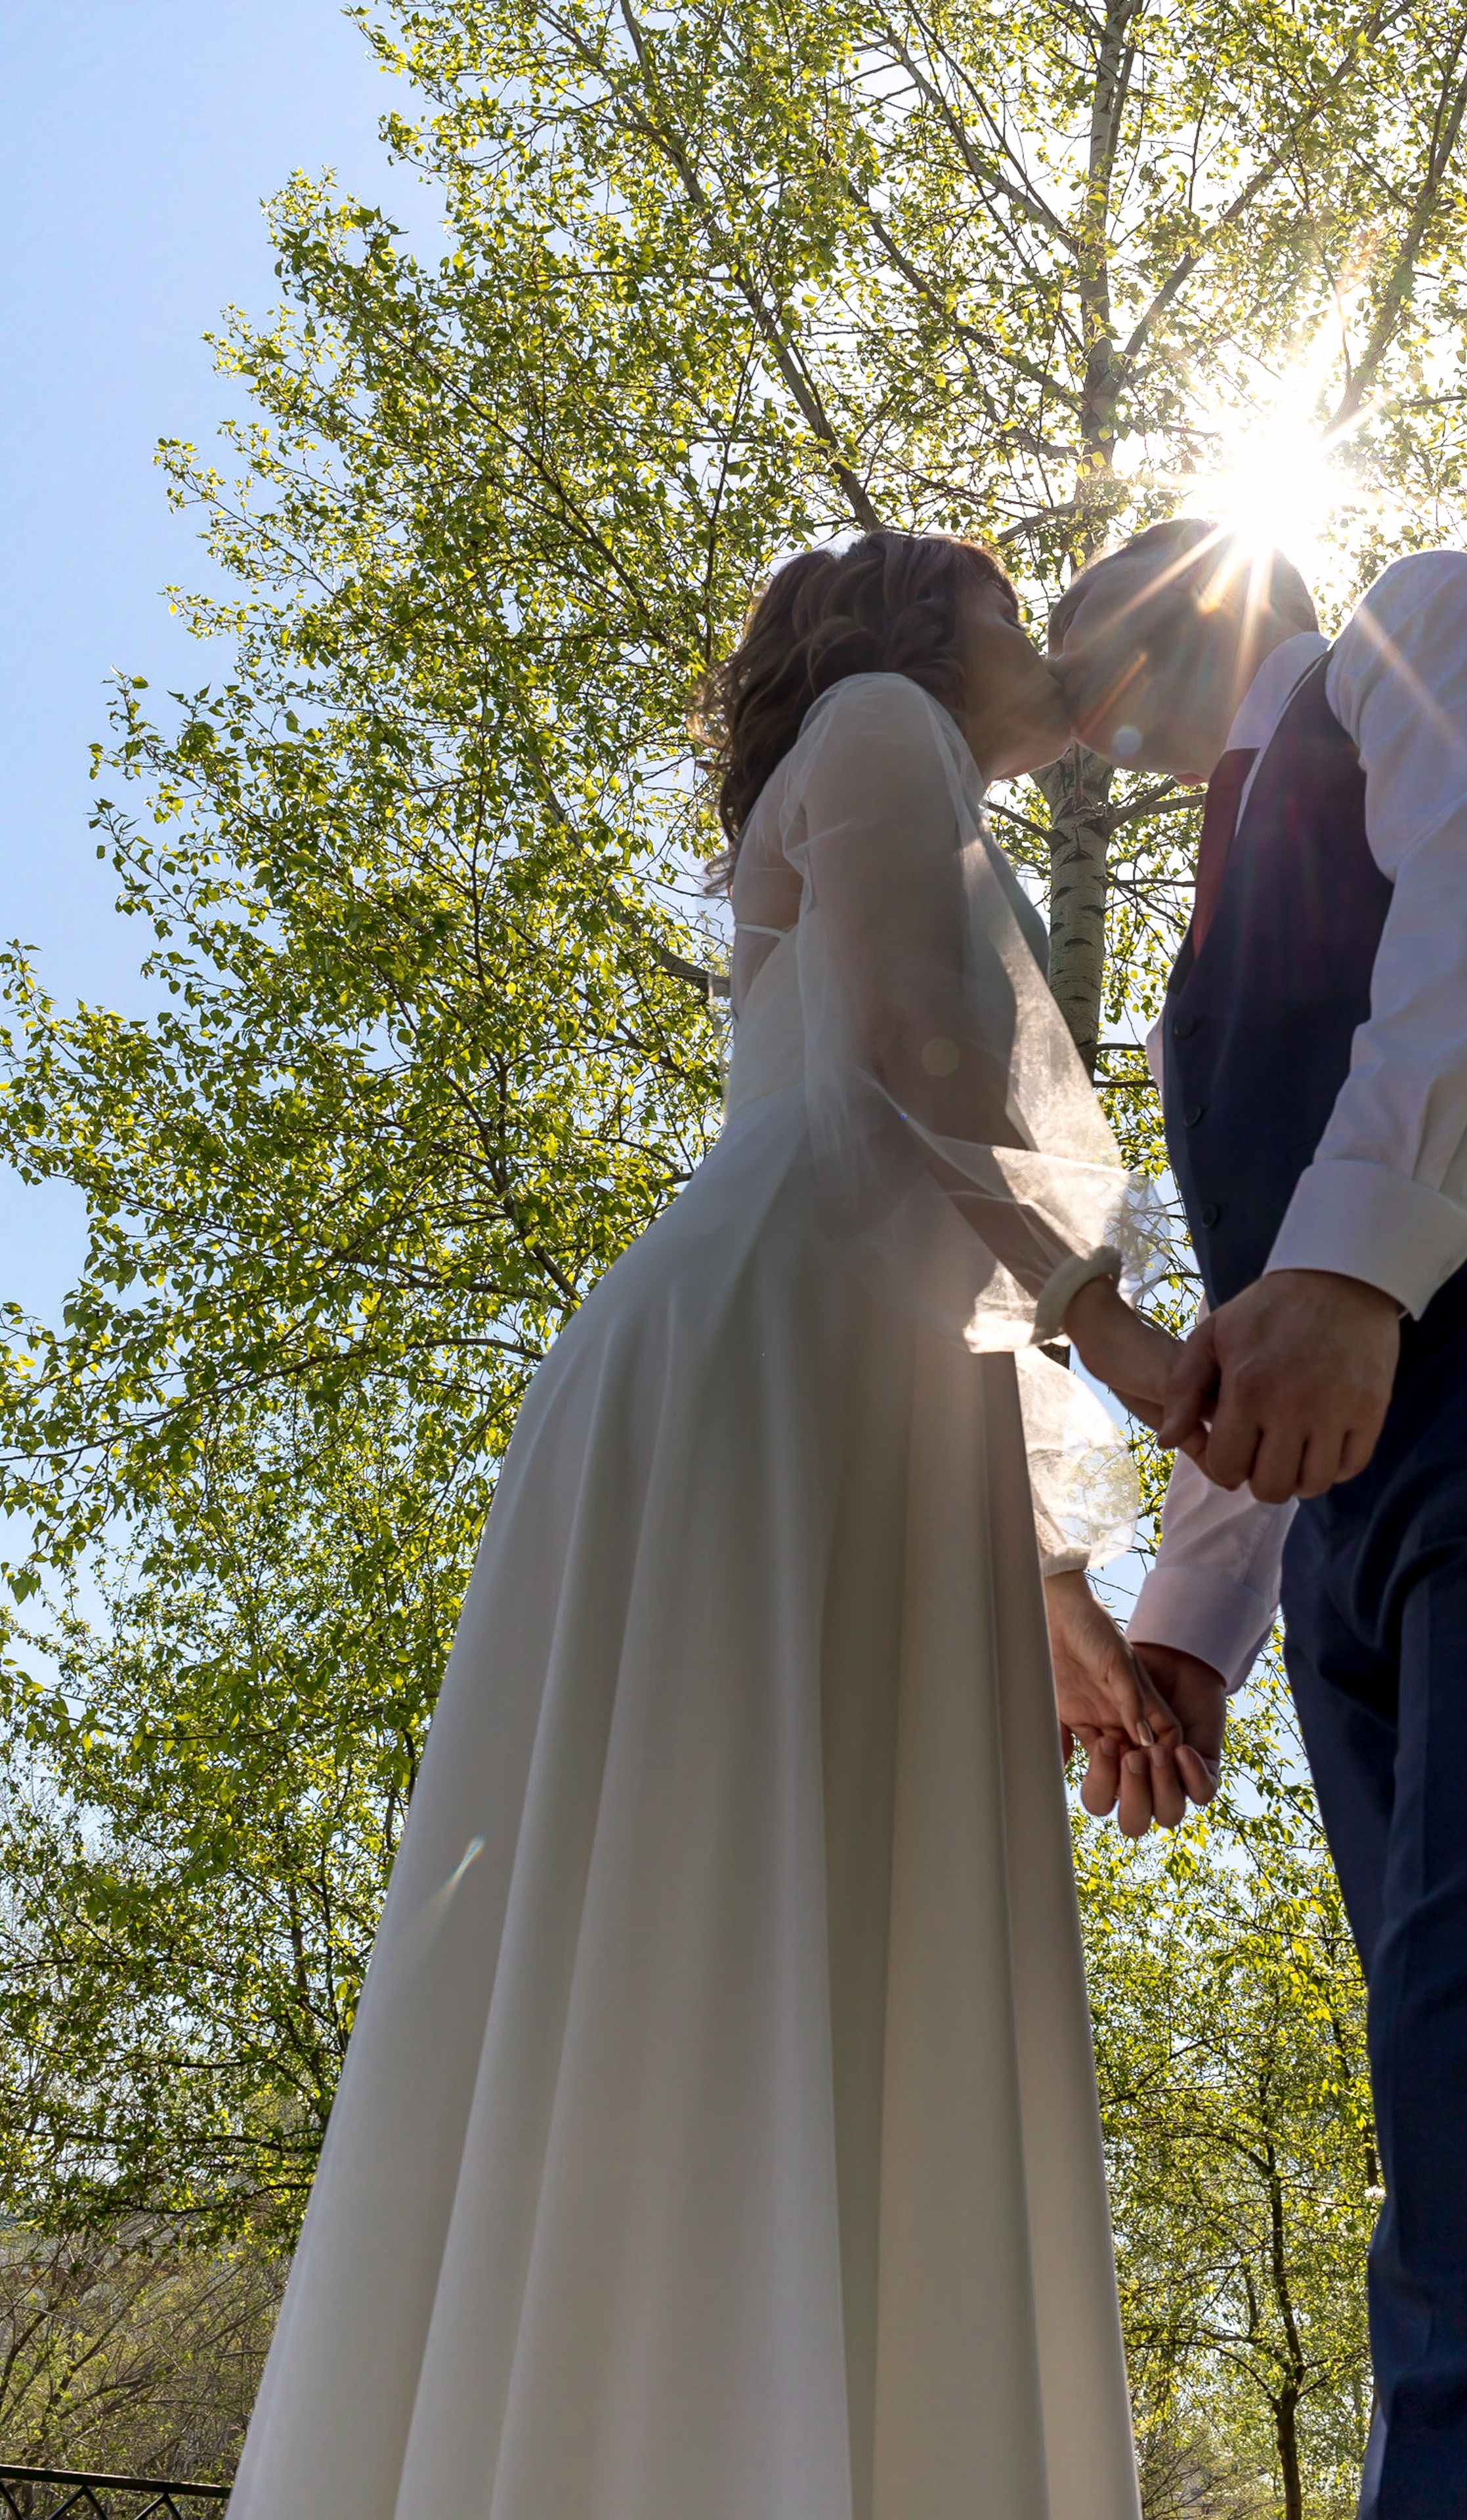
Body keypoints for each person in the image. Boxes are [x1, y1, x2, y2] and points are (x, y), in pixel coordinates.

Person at [227, 530, 1196, 2520]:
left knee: (759, 1906)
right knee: (740, 1900)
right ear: (922, 629)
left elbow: (917, 1172)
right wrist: (1122, 1336)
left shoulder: (902, 766)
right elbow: (919, 1068)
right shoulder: (883, 723)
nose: (1044, 649)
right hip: (778, 1366)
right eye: (1011, 607)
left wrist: (1052, 1590)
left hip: (846, 1372)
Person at [1053, 519, 1467, 2519]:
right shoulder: (1190, 987)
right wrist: (1186, 1630)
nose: (1079, 730)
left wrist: (1367, 1270)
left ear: (1184, 612)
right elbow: (1269, 1302)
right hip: (1356, 1536)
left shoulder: (1430, 626)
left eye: (1089, 672)